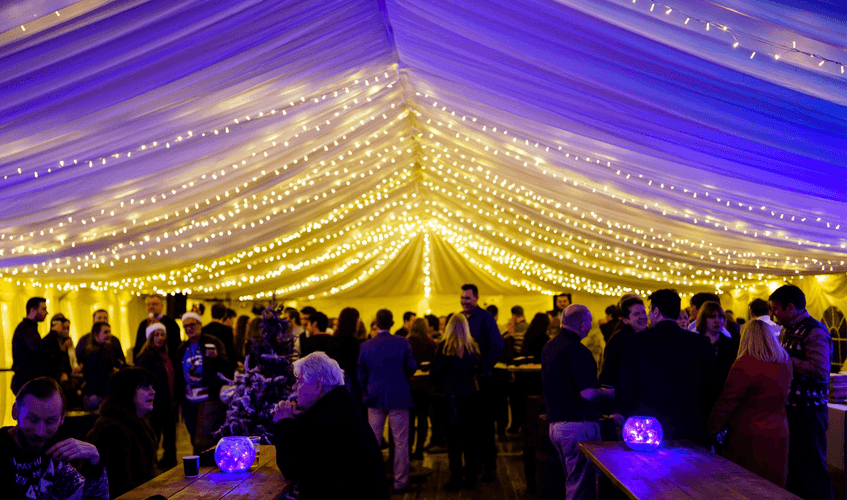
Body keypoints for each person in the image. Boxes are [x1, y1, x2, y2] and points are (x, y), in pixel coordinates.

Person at [272, 352, 389, 499]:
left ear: (317, 386)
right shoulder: (337, 407)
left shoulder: (330, 420)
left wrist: (283, 422)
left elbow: (291, 467)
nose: (294, 387)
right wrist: (295, 420)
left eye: (299, 381)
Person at [615, 289, 717, 446]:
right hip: (691, 425)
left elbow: (625, 386)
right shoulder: (700, 343)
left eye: (649, 309)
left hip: (648, 428)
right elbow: (712, 386)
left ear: (656, 311)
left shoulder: (635, 342)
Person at [542, 305, 614, 500]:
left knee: (573, 481)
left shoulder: (549, 346)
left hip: (556, 426)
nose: (590, 327)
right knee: (581, 488)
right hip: (577, 428)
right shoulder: (578, 350)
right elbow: (588, 393)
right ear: (582, 324)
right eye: (589, 322)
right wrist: (608, 394)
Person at [708, 320, 792, 487]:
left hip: (749, 434)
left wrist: (711, 428)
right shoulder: (784, 362)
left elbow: (727, 402)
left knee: (748, 486)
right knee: (774, 486)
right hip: (779, 430)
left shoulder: (745, 364)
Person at [770, 285, 833, 500]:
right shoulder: (788, 329)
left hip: (809, 412)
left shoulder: (814, 331)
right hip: (794, 409)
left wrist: (785, 359)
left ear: (790, 307)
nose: (773, 313)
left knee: (812, 468)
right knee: (796, 467)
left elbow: (820, 370)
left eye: (776, 309)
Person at [2, 377, 108, 499]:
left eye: (50, 421)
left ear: (62, 419)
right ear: (15, 411)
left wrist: (94, 464)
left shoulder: (55, 456)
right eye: (33, 419)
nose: (40, 432)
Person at [357, 309, 417, 494]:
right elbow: (411, 367)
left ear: (376, 323)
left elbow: (361, 372)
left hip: (374, 396)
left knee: (373, 441)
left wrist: (366, 391)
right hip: (398, 395)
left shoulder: (366, 345)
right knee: (401, 442)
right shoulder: (402, 342)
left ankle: (373, 481)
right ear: (392, 323)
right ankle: (401, 482)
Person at [86, 367, 157, 498]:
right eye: (145, 387)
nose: (153, 392)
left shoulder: (136, 422)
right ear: (126, 392)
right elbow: (119, 486)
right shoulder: (112, 430)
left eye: (152, 387)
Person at [429, 314, 482, 490]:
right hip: (471, 396)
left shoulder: (444, 348)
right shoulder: (473, 347)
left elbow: (435, 373)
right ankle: (471, 474)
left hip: (450, 398)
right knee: (470, 438)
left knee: (453, 439)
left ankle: (456, 476)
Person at [460, 284, 504, 482]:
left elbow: (497, 345)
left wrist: (484, 368)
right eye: (462, 298)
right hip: (465, 382)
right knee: (468, 427)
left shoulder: (485, 318)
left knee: (485, 426)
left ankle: (489, 467)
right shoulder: (460, 318)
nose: (464, 301)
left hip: (482, 381)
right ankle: (473, 465)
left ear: (476, 298)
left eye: (467, 298)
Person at [174, 312, 232, 454]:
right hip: (189, 400)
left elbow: (227, 367)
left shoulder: (213, 342)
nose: (189, 328)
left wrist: (217, 358)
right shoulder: (182, 348)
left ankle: (203, 464)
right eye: (186, 326)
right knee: (194, 437)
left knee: (204, 440)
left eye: (192, 324)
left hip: (209, 398)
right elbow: (178, 375)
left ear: (200, 325)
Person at [134, 323, 178, 469]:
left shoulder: (165, 356)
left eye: (162, 334)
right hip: (155, 402)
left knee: (170, 435)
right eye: (156, 335)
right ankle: (149, 464)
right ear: (150, 337)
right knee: (153, 435)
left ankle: (169, 461)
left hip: (168, 402)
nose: (160, 338)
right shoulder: (145, 357)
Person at [599, 296, 646, 386]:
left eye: (643, 312)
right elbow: (608, 372)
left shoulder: (650, 337)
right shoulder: (618, 340)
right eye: (636, 314)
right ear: (625, 319)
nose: (643, 317)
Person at [407, 318, 436, 460]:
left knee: (410, 420)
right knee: (423, 418)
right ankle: (419, 449)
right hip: (425, 385)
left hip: (410, 385)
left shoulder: (407, 342)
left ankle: (409, 448)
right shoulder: (431, 343)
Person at [695, 301, 740, 390]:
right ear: (703, 319)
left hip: (725, 390)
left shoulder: (732, 344)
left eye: (720, 317)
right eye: (712, 317)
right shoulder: (695, 343)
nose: (717, 320)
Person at [81, 322, 125, 411]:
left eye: (109, 332)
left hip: (88, 396)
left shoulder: (88, 350)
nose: (109, 335)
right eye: (105, 332)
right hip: (98, 397)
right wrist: (115, 373)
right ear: (95, 334)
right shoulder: (101, 352)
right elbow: (103, 377)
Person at [11, 297, 48, 394]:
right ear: (33, 310)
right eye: (43, 309)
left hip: (26, 380)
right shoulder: (26, 328)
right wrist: (53, 333)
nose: (46, 312)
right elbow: (37, 348)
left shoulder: (27, 328)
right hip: (26, 381)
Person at [133, 295, 180, 365]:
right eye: (148, 304)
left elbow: (175, 346)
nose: (151, 307)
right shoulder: (143, 324)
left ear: (161, 306)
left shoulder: (171, 323)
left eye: (154, 304)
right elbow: (138, 345)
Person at [201, 303, 237, 371]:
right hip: (223, 364)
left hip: (208, 363)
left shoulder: (204, 329)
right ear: (224, 315)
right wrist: (234, 365)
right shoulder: (227, 330)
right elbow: (230, 349)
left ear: (211, 313)